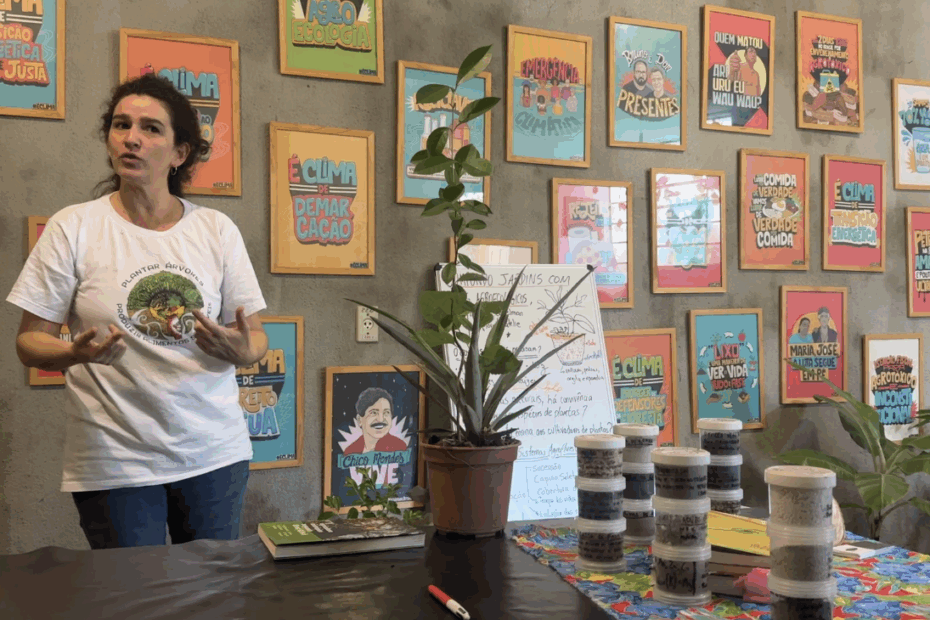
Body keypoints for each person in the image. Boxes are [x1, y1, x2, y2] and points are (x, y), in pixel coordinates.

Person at [7, 74, 268, 550]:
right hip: (113, 460)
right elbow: (29, 342)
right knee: (131, 589)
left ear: (180, 153)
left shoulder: (216, 230)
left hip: (213, 454)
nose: (131, 138)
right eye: (121, 124)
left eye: (150, 128)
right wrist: (74, 353)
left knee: (211, 587)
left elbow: (255, 339)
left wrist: (240, 350)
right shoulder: (73, 227)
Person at [344, 387, 409, 454]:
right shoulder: (350, 452)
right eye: (374, 413)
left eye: (386, 412)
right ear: (359, 420)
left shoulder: (399, 447)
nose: (380, 419)